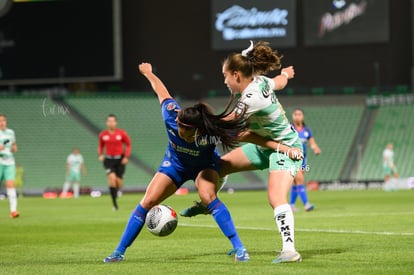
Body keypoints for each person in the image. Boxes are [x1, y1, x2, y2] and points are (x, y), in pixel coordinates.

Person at [103, 62, 254, 263]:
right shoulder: (171, 116)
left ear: (197, 129)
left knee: (208, 196)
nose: (181, 133)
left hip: (205, 167)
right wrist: (149, 73)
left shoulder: (211, 130)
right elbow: (161, 91)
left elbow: (246, 134)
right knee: (147, 201)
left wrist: (279, 145)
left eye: (186, 132)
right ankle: (118, 252)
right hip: (175, 166)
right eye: (180, 129)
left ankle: (240, 249)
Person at [180, 41, 303, 264]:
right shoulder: (260, 82)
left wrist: (196, 122)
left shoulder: (251, 97)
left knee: (275, 197)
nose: (224, 81)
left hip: (286, 148)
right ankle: (208, 203)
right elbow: (279, 82)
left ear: (236, 75)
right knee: (217, 168)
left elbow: (227, 123)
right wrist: (285, 73)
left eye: (225, 76)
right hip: (264, 145)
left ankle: (289, 250)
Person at [290, 108, 321, 212]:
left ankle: (292, 204)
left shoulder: (307, 130)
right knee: (300, 180)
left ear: (303, 116)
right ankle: (306, 204)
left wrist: (315, 148)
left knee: (295, 182)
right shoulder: (289, 128)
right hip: (292, 159)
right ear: (292, 116)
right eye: (295, 114)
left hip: (303, 159)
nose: (297, 116)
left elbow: (312, 143)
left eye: (299, 114)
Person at [98, 114, 131, 210]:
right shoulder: (103, 135)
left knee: (119, 182)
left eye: (113, 121)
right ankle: (115, 204)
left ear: (116, 122)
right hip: (108, 160)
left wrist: (126, 156)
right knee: (111, 179)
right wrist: (100, 155)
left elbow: (128, 145)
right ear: (106, 122)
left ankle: (115, 192)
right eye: (109, 121)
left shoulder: (122, 133)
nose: (111, 123)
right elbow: (100, 146)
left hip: (120, 160)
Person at [0, 114, 20, 218]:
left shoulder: (10, 132)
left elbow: (14, 146)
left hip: (9, 162)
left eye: (3, 120)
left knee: (10, 185)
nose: (2, 122)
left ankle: (13, 211)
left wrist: (14, 148)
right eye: (0, 121)